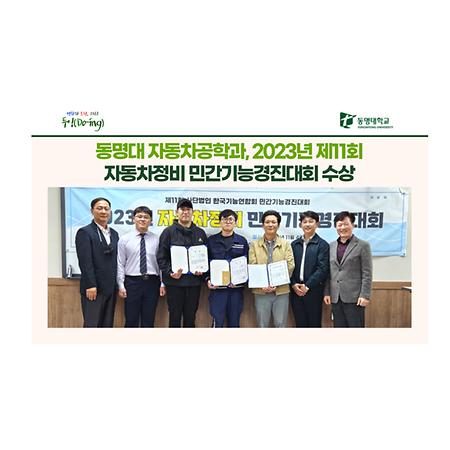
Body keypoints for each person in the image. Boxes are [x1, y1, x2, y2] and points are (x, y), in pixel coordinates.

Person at [157, 198, 207, 327]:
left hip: (194, 283)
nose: (185, 212)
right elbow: (161, 257)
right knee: (174, 317)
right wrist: (170, 272)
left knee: (190, 318)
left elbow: (205, 257)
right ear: (176, 212)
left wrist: (202, 271)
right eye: (182, 209)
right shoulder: (168, 232)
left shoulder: (200, 233)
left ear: (192, 212)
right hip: (175, 283)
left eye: (188, 209)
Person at [117, 206, 165, 327]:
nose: (142, 219)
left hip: (152, 283)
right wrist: (121, 285)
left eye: (146, 217)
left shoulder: (157, 239)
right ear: (133, 219)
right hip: (132, 283)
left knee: (149, 320)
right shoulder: (124, 239)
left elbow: (161, 263)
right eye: (139, 216)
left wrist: (162, 283)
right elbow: (120, 263)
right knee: (131, 320)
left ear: (150, 220)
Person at [323, 211, 373, 327]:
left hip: (355, 298)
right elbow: (329, 273)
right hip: (336, 297)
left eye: (346, 224)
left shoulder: (362, 245)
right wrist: (327, 292)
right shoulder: (331, 246)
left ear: (353, 225)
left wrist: (365, 295)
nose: (342, 227)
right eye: (339, 225)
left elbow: (367, 273)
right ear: (336, 227)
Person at [75, 197, 119, 327]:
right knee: (92, 325)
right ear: (92, 211)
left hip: (110, 288)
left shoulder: (114, 234)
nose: (103, 211)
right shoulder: (85, 232)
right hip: (94, 289)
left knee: (107, 325)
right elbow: (85, 262)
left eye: (106, 208)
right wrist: (90, 285)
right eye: (99, 208)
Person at [248, 210, 294, 327]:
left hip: (281, 291)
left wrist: (277, 283)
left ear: (278, 225)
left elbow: (290, 265)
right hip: (261, 291)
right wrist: (262, 284)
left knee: (281, 324)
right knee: (262, 324)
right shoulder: (254, 245)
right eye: (267, 222)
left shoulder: (286, 244)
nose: (270, 225)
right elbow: (253, 266)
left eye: (273, 222)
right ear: (262, 225)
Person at [206, 209, 249, 327]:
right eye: (224, 219)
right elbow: (206, 263)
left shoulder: (242, 241)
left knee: (234, 323)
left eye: (231, 219)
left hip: (235, 290)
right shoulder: (211, 240)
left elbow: (247, 264)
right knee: (217, 323)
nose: (228, 222)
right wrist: (207, 279)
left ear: (235, 222)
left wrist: (242, 281)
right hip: (217, 290)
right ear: (220, 222)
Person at [290, 211, 329, 327]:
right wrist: (293, 284)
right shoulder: (294, 244)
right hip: (296, 291)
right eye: (305, 222)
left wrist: (307, 286)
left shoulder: (322, 245)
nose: (307, 224)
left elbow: (322, 269)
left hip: (313, 291)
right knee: (300, 324)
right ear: (300, 224)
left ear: (317, 224)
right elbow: (289, 267)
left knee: (314, 324)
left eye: (311, 221)